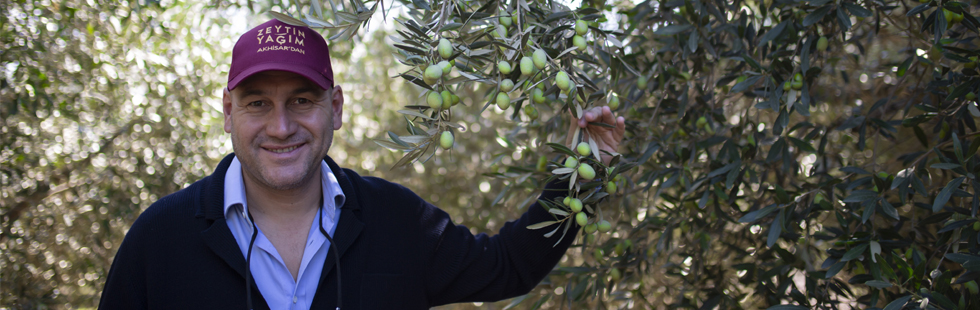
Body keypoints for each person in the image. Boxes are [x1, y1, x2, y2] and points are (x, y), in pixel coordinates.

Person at [98, 19, 626, 310]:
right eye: (258, 102)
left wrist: (586, 168)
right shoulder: (160, 238)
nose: (281, 126)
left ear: (338, 108)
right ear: (228, 111)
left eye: (302, 100)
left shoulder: (397, 221)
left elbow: (508, 266)